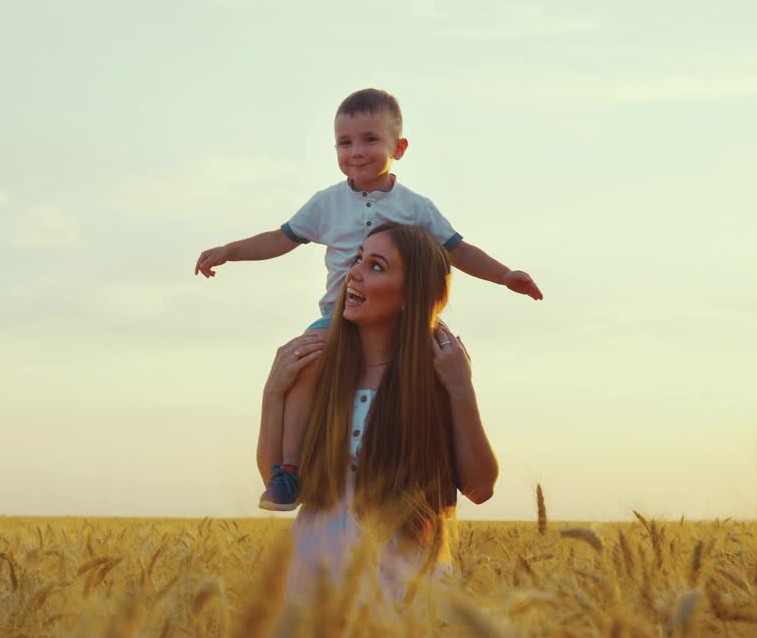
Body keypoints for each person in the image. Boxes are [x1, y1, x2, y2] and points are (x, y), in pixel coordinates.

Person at [196, 88, 535, 511]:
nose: (356, 152)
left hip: (405, 320)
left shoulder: (416, 208)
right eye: (345, 142)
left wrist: (505, 275)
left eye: (370, 139)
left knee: (437, 367)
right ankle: (289, 469)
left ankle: (430, 475)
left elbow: (457, 249)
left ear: (400, 148)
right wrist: (231, 251)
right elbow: (280, 239)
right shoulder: (327, 203)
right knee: (305, 363)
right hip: (336, 317)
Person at [256, 222, 499, 602]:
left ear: (410, 295)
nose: (353, 273)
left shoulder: (435, 378)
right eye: (357, 259)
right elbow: (279, 479)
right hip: (317, 576)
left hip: (406, 582)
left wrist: (460, 390)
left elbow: (480, 487)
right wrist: (273, 393)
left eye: (376, 266)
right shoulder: (321, 371)